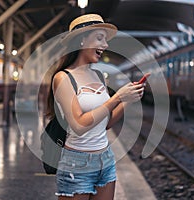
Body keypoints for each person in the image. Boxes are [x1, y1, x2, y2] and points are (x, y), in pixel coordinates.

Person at [46, 13, 144, 200]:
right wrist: (116, 98)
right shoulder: (63, 78)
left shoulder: (98, 76)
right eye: (100, 38)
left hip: (105, 160)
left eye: (105, 40)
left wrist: (127, 101)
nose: (105, 45)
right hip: (76, 163)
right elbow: (79, 125)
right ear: (81, 40)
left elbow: (104, 124)